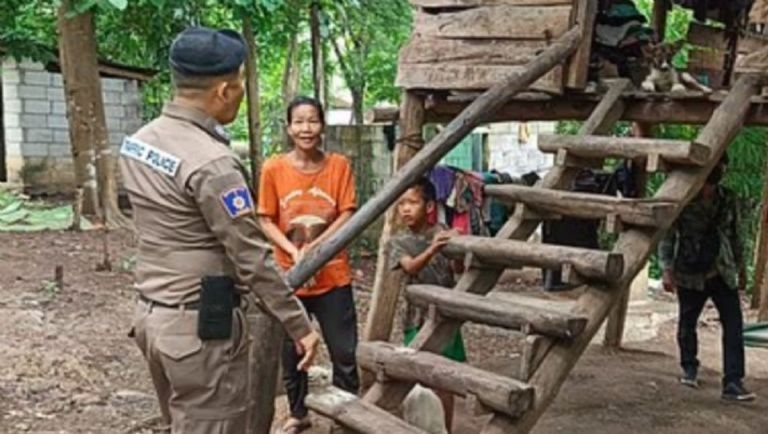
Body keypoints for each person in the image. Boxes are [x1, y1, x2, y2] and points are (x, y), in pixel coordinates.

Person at [118, 27, 320, 433]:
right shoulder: (212, 164)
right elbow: (252, 257)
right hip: (199, 334)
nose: (243, 91)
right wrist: (299, 325)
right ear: (226, 91)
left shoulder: (139, 144)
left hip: (153, 319)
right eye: (242, 83)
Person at [258, 96, 360, 434]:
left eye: (313, 120)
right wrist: (293, 250)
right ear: (289, 128)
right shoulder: (274, 168)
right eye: (299, 121)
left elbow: (347, 213)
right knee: (292, 351)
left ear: (322, 125)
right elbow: (265, 219)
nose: (306, 128)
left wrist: (316, 249)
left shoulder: (339, 166)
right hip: (289, 278)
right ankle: (298, 411)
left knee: (343, 351)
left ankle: (346, 415)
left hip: (333, 276)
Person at [659, 154, 756, 402]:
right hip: (690, 271)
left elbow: (735, 235)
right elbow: (668, 235)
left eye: (722, 165)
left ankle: (733, 382)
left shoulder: (727, 199)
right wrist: (667, 269)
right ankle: (689, 368)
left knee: (733, 326)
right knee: (687, 322)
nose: (720, 170)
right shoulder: (684, 199)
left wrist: (742, 269)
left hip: (721, 270)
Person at [389, 178, 466, 432]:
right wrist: (433, 249)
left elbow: (458, 268)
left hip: (445, 316)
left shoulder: (443, 231)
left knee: (444, 380)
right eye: (401, 204)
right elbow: (410, 266)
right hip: (416, 318)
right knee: (417, 376)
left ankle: (446, 429)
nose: (406, 209)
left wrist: (458, 246)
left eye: (412, 202)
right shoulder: (399, 240)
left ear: (430, 205)